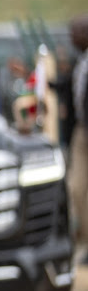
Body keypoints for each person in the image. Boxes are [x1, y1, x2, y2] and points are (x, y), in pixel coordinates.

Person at [66, 14, 88, 262]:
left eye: (78, 31)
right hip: (82, 131)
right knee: (76, 188)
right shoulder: (80, 61)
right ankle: (83, 240)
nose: (73, 36)